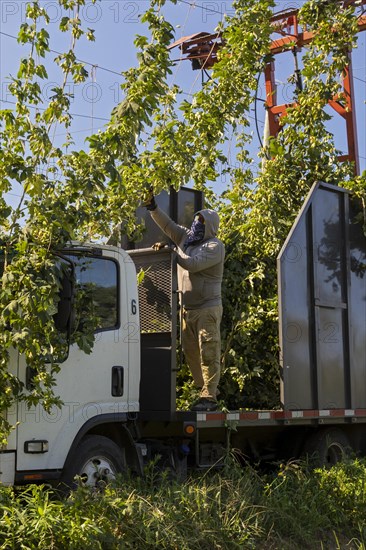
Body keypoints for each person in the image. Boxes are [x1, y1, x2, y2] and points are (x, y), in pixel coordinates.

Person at [144, 193, 225, 412]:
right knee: (191, 354)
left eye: (201, 223)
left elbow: (192, 265)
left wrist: (172, 252)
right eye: (195, 221)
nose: (196, 225)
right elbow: (168, 225)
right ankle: (203, 393)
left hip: (207, 308)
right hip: (187, 309)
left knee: (208, 351)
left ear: (210, 226)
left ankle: (210, 397)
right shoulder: (186, 239)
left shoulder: (214, 246)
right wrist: (153, 208)